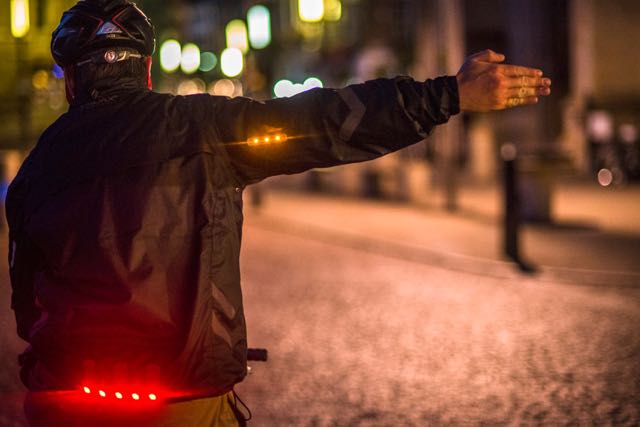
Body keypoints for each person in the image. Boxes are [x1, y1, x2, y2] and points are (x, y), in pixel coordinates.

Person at [6, 0, 551, 426]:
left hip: (64, 396)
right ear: (147, 69)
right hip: (178, 400)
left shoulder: (34, 172)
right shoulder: (201, 128)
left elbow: (27, 309)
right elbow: (323, 121)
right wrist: (447, 95)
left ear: (71, 80)